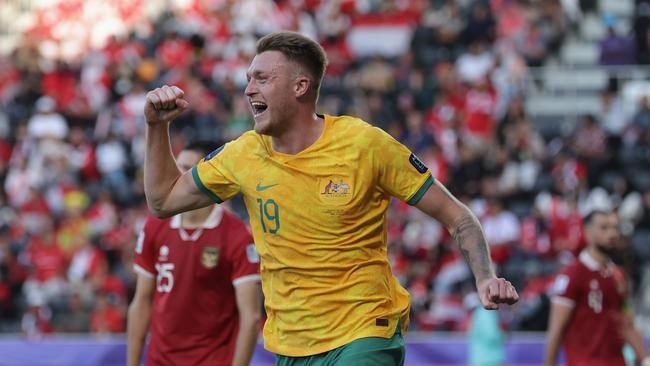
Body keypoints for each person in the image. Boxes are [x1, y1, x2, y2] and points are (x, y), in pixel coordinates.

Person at [143, 31, 519, 365]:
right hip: (291, 345)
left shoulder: (364, 145)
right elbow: (164, 201)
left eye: (262, 78)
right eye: (248, 79)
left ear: (300, 86)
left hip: (364, 332)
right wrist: (157, 128)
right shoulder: (243, 154)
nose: (248, 89)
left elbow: (458, 217)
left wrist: (485, 277)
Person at [127, 141, 262, 366]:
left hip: (213, 360)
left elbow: (251, 317)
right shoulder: (154, 226)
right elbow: (141, 301)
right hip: (160, 360)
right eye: (177, 167)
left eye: (188, 169)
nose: (179, 176)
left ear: (208, 175)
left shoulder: (236, 234)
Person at [545, 210, 650, 366]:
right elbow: (556, 330)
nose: (612, 233)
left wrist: (646, 359)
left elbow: (627, 325)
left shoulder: (619, 276)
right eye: (604, 228)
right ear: (587, 232)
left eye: (615, 228)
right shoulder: (572, 275)